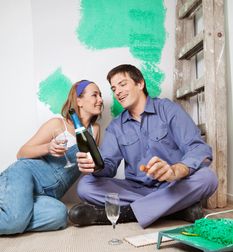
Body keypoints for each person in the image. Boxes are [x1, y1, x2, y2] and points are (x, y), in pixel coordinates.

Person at [69, 65, 218, 229]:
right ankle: (175, 209)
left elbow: (198, 148)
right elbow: (108, 166)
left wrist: (177, 170)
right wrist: (95, 166)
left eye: (122, 84)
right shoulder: (115, 127)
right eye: (113, 88)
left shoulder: (168, 109)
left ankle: (125, 214)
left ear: (140, 83)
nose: (117, 92)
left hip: (173, 186)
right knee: (86, 186)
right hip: (136, 190)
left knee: (207, 178)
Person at [0, 80, 103, 235]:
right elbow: (21, 153)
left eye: (100, 95)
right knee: (15, 222)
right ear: (79, 100)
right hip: (25, 175)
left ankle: (12, 208)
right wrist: (47, 148)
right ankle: (13, 213)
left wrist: (92, 167)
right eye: (95, 95)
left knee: (59, 216)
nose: (100, 99)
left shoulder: (94, 130)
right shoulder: (57, 124)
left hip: (50, 194)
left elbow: (91, 168)